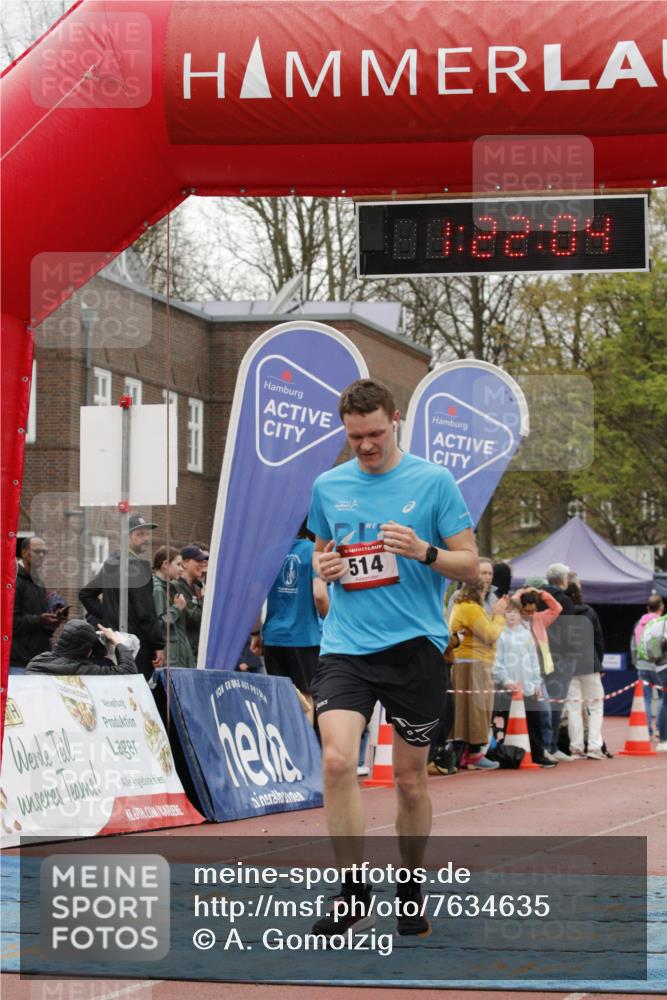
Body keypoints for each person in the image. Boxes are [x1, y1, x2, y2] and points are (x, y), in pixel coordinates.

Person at [307, 378, 479, 938]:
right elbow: (321, 554)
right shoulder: (328, 486)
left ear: (396, 419)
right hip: (347, 646)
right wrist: (324, 572)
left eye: (375, 433)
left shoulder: (433, 482)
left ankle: (410, 887)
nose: (365, 446)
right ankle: (352, 889)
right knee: (337, 761)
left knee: (409, 781)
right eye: (354, 436)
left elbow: (471, 566)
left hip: (414, 648)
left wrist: (424, 551)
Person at [250, 521, 330, 707]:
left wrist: (255, 633)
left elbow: (254, 597)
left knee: (278, 698)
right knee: (305, 698)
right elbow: (319, 595)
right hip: (304, 637)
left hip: (273, 637)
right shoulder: (313, 552)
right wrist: (333, 621)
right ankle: (302, 737)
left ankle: (283, 736)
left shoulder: (269, 554)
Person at [79, 515, 165, 679]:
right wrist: (158, 644)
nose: (146, 538)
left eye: (147, 534)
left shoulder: (112, 563)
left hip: (115, 644)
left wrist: (109, 615)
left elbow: (86, 594)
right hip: (137, 646)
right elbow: (146, 613)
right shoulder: (138, 568)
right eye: (140, 534)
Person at [449, 580, 507, 768]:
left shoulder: (464, 606)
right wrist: (499, 615)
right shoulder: (470, 608)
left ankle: (466, 752)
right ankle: (473, 754)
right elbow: (490, 634)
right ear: (479, 592)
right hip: (473, 663)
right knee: (476, 709)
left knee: (467, 709)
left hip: (469, 662)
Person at [492, 598, 554, 767]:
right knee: (508, 723)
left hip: (528, 687)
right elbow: (497, 662)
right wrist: (505, 681)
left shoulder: (526, 634)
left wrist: (536, 683)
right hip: (509, 689)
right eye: (508, 612)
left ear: (520, 614)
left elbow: (533, 660)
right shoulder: (500, 635)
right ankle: (509, 755)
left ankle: (537, 754)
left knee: (534, 722)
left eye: (515, 612)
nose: (512, 615)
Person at [517, 585, 564, 763]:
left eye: (532, 611)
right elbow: (511, 606)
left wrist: (541, 593)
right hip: (519, 671)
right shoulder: (513, 620)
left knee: (545, 711)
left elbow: (557, 608)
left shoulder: (539, 619)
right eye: (525, 611)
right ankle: (526, 747)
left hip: (537, 672)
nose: (528, 614)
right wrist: (522, 592)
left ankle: (545, 747)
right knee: (521, 713)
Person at [564, 580, 607, 759]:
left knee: (573, 707)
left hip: (569, 665)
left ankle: (576, 747)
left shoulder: (562, 613)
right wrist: (600, 662)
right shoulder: (589, 612)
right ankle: (594, 746)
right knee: (595, 706)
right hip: (590, 663)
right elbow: (598, 639)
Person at [542, 563, 577, 760]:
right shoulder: (564, 600)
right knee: (556, 701)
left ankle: (545, 744)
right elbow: (569, 632)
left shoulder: (538, 597)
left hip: (542, 653)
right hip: (561, 656)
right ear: (563, 580)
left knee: (542, 701)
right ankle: (551, 745)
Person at [11, 536, 63, 667]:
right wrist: (41, 619)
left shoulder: (38, 581)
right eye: (37, 551)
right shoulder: (14, 582)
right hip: (19, 659)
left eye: (44, 552)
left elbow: (39, 616)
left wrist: (54, 620)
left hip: (39, 658)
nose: (41, 555)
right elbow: (11, 622)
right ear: (23, 553)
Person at [26, 620, 138, 675]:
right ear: (88, 651)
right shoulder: (83, 670)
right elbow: (128, 671)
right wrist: (115, 640)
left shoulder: (38, 661)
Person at [631, 594, 667, 751]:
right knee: (662, 699)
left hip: (643, 664)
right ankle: (661, 731)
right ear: (661, 607)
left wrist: (636, 662)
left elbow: (633, 645)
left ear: (647, 607)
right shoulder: (661, 623)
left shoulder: (639, 623)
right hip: (660, 664)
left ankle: (646, 730)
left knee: (644, 699)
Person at [152, 546, 195, 668]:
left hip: (179, 656)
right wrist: (176, 608)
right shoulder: (158, 589)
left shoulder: (170, 587)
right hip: (171, 660)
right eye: (178, 564)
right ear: (166, 564)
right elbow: (158, 624)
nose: (182, 569)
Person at [175, 544, 207, 660]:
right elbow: (193, 618)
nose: (202, 565)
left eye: (203, 561)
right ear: (185, 563)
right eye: (198, 560)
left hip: (198, 651)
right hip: (185, 654)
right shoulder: (176, 586)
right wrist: (203, 600)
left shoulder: (197, 587)